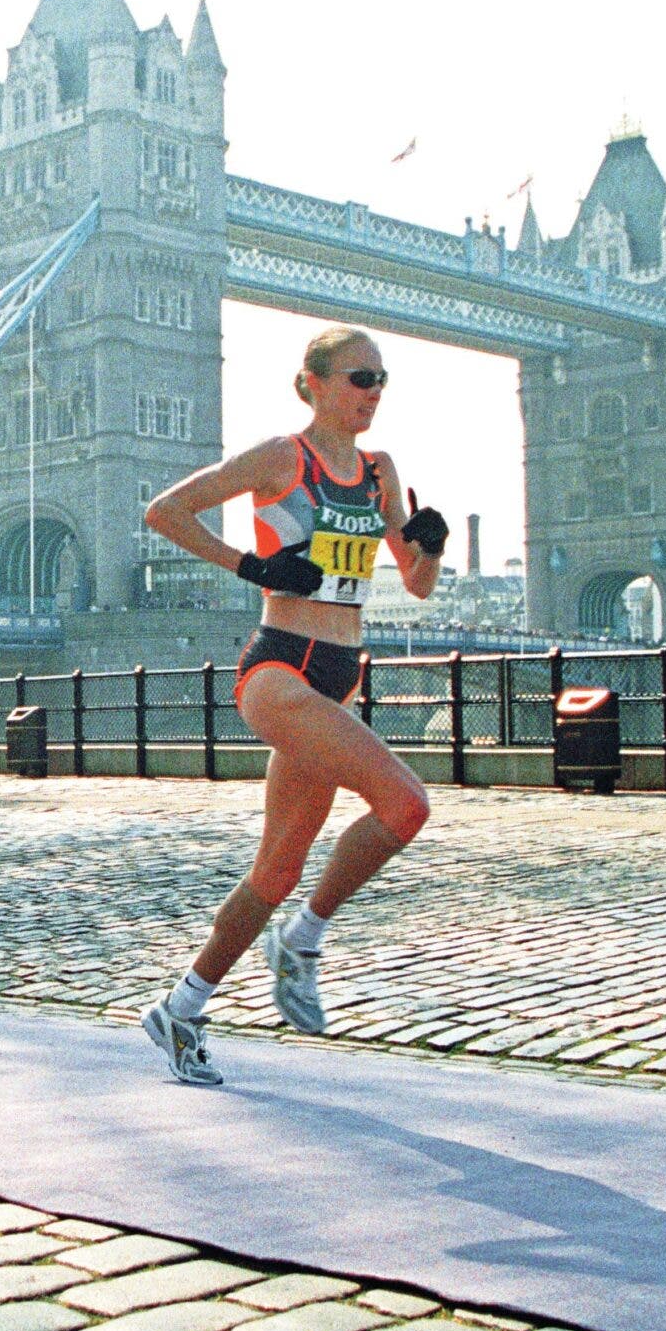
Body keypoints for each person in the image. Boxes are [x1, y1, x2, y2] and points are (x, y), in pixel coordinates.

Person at [135, 325, 449, 1085]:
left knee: (275, 871)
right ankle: (302, 941)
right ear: (312, 382)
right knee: (406, 806)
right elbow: (165, 512)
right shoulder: (283, 457)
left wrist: (429, 544)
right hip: (279, 668)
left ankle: (181, 1008)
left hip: (341, 669)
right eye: (358, 378)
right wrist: (251, 563)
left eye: (381, 381)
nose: (373, 393)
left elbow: (417, 585)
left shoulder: (379, 471)